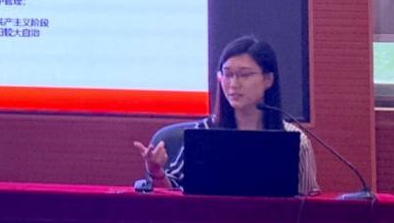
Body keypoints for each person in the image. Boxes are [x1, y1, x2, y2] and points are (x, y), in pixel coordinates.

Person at [134, 35, 319, 195]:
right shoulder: (204, 132)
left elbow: (309, 205)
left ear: (268, 79)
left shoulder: (296, 140)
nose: (233, 84)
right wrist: (156, 171)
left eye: (244, 75)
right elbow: (172, 193)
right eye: (228, 74)